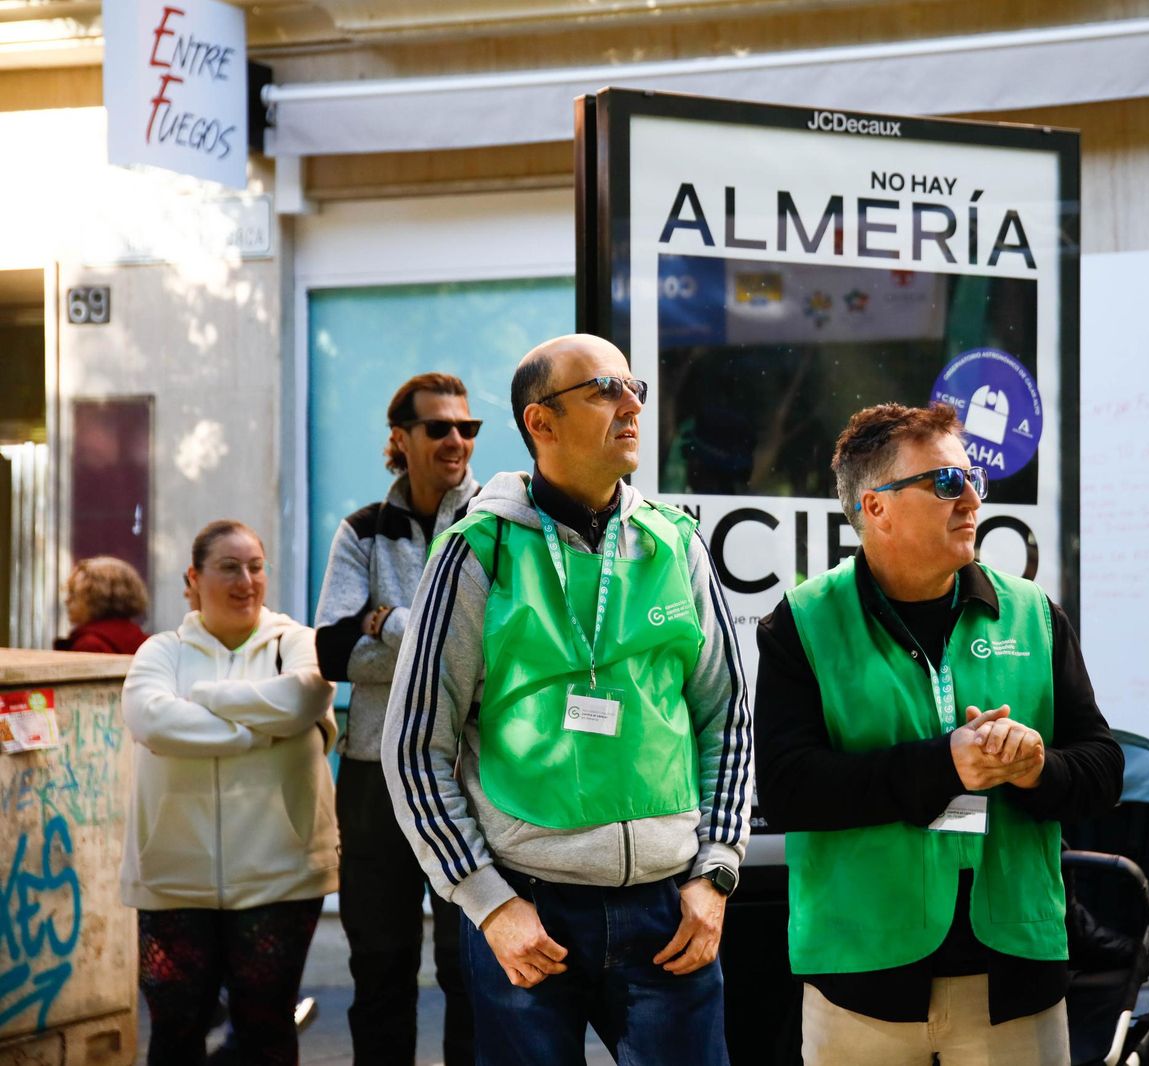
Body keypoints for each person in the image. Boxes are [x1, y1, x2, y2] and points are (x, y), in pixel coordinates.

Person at [382, 333, 751, 1066]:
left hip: (669, 907)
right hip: (528, 907)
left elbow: (726, 719)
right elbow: (416, 745)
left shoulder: (676, 543)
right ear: (539, 424)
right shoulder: (478, 550)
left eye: (632, 387)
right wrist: (485, 900)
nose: (631, 405)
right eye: (602, 390)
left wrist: (715, 873)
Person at [753, 402, 1124, 1065]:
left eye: (973, 478)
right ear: (876, 508)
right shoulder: (802, 622)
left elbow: (1102, 769)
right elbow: (786, 790)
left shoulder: (1034, 614)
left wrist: (1039, 768)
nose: (972, 498)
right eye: (947, 482)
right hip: (859, 981)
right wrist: (940, 766)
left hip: (1014, 979)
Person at [121, 520, 338, 1066]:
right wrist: (256, 730)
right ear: (192, 578)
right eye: (229, 568)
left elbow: (301, 702)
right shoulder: (160, 652)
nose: (246, 581)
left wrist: (206, 697)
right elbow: (153, 720)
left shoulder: (298, 644)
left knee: (266, 1030)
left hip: (281, 875)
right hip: (175, 879)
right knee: (175, 1027)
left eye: (256, 566)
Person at [314, 371, 481, 1065]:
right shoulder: (361, 531)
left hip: (468, 774)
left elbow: (490, 650)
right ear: (400, 439)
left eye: (467, 428)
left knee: (469, 969)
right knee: (378, 968)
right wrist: (437, 643)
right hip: (372, 776)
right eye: (438, 427)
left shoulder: (496, 526)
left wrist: (388, 622)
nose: (455, 440)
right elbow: (330, 650)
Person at [55, 555, 149, 653]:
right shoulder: (148, 643)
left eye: (73, 594)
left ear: (96, 598)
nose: (67, 600)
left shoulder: (89, 645)